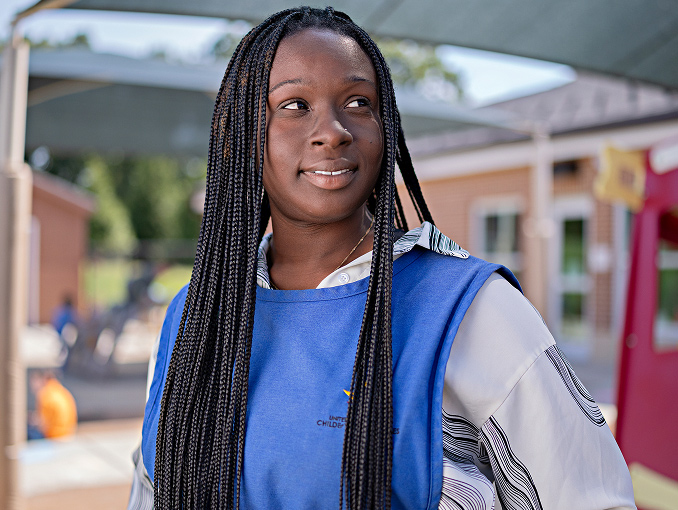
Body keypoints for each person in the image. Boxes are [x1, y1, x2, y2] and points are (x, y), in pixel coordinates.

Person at [128, 7, 636, 510]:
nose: (333, 130)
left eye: (357, 102)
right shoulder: (193, 318)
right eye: (294, 106)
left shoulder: (473, 312)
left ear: (385, 125)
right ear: (241, 137)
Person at [27, 370, 77, 440]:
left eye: (34, 381)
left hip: (55, 436)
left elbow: (43, 426)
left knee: (27, 431)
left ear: (43, 379)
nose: (31, 385)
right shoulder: (59, 389)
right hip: (67, 433)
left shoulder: (45, 394)